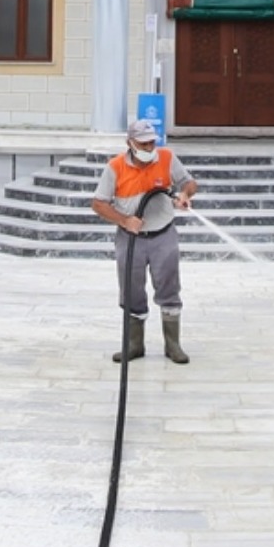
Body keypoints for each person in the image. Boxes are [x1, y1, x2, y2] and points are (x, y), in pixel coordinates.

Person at [91, 118, 197, 364]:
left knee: (169, 287)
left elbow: (189, 183)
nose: (150, 148)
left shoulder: (167, 158)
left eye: (152, 143)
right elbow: (98, 203)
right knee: (131, 289)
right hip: (131, 240)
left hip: (163, 235)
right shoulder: (115, 167)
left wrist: (184, 194)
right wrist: (125, 220)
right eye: (144, 144)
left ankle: (173, 345)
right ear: (130, 143)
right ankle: (134, 345)